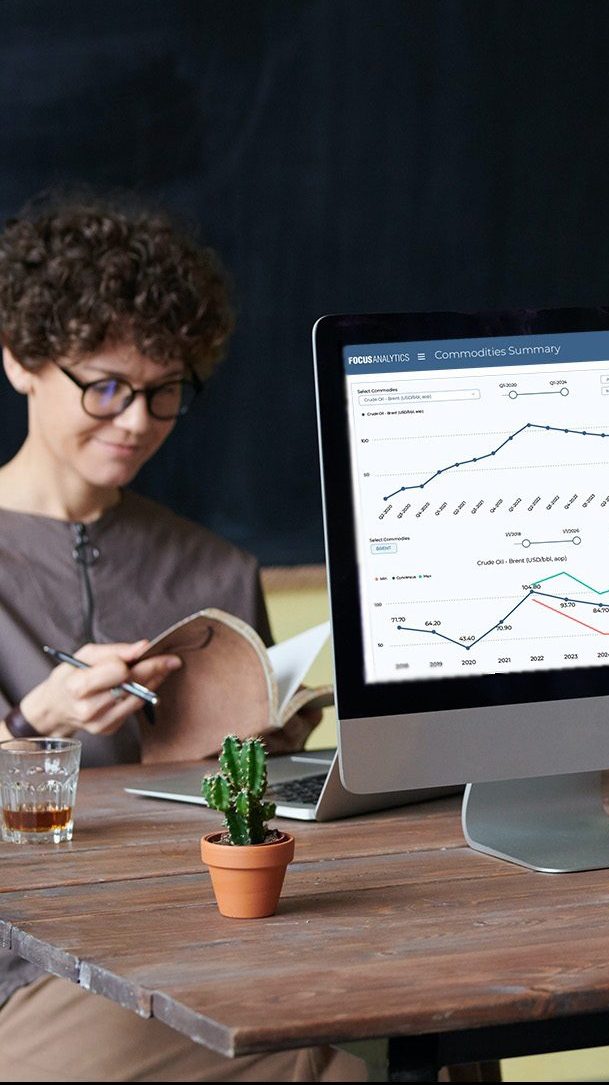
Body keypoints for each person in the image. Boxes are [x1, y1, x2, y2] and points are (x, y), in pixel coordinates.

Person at [0, 194, 354, 1081]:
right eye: (106, 386)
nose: (136, 421)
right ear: (21, 360)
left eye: (164, 393)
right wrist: (32, 727)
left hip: (205, 936)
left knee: (396, 1018)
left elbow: (247, 815)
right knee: (339, 1050)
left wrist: (269, 754)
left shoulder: (214, 572)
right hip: (29, 971)